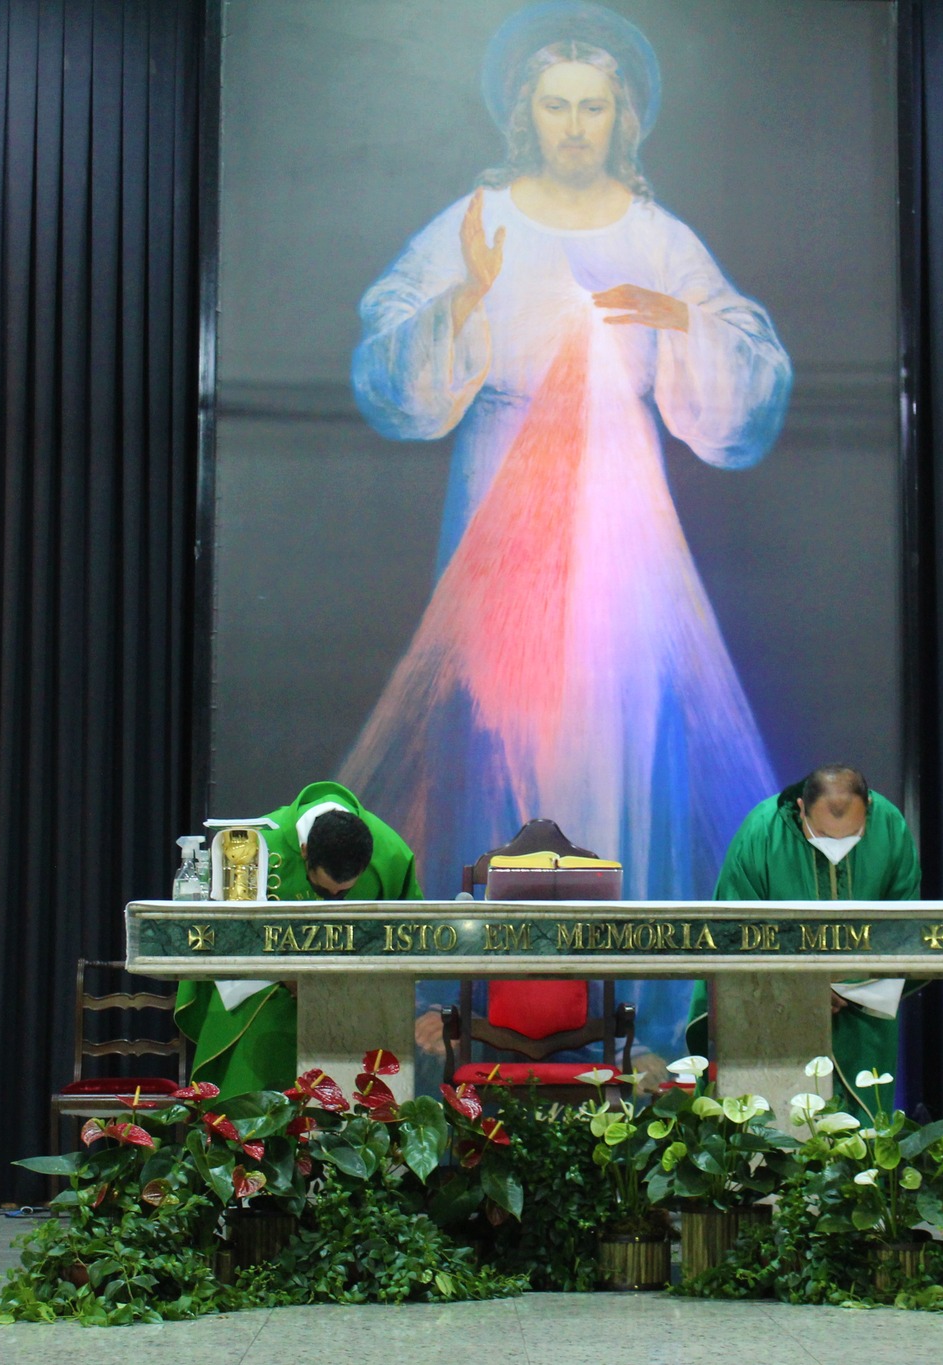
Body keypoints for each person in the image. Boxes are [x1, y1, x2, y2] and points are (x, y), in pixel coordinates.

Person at [337, 2, 791, 907]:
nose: (576, 126)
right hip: (501, 489)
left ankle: (623, 967)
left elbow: (752, 376)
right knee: (501, 713)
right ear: (526, 115)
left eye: (593, 106)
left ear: (622, 119)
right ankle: (496, 963)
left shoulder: (657, 235)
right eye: (557, 105)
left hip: (622, 505)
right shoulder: (479, 220)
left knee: (620, 715)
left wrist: (678, 318)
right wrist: (464, 297)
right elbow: (387, 362)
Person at [687, 765, 922, 1103]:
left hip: (860, 1009)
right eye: (824, 834)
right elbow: (734, 931)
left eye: (852, 835)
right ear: (801, 809)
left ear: (868, 808)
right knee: (777, 1118)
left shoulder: (889, 826)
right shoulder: (763, 831)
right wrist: (803, 990)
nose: (838, 846)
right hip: (775, 1012)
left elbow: (905, 923)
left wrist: (851, 981)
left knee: (861, 1122)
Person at [174, 781, 422, 1094]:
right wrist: (288, 976)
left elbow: (409, 944)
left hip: (354, 998)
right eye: (323, 890)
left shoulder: (392, 854)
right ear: (305, 851)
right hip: (268, 990)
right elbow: (226, 938)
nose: (333, 899)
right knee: (259, 1027)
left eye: (343, 893)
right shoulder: (253, 845)